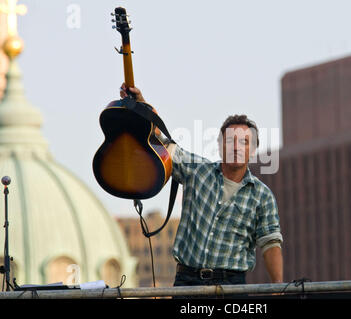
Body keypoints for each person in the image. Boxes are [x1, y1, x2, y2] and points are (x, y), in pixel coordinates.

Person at [120, 85, 283, 287]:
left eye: (244, 142)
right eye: (230, 140)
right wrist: (141, 105)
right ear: (220, 145)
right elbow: (163, 142)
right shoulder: (198, 171)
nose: (236, 147)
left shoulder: (262, 196)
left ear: (253, 149)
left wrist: (278, 286)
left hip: (232, 285)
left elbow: (270, 241)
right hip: (187, 281)